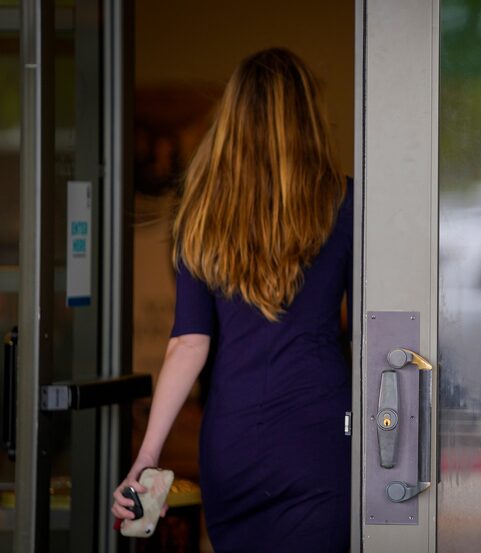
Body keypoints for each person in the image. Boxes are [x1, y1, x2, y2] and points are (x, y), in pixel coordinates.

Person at [111, 48, 352, 553]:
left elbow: (188, 344)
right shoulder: (346, 204)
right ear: (308, 116)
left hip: (234, 446)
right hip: (317, 440)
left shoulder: (199, 217)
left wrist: (146, 456)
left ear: (232, 119)